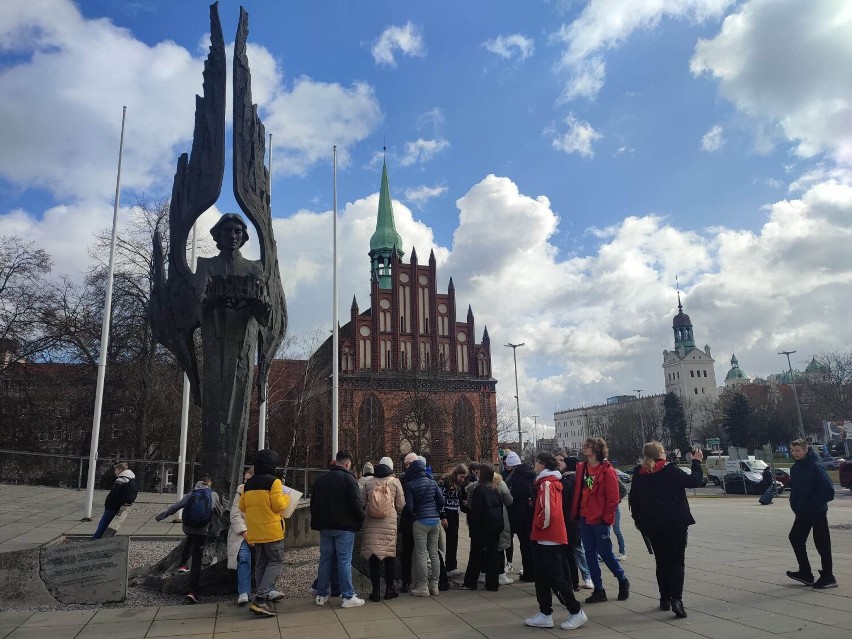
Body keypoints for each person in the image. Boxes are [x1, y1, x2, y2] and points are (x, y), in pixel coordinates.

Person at [628, 442, 704, 618]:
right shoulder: (670, 470)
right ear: (661, 454)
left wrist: (640, 522)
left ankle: (664, 599)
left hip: (652, 524)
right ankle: (677, 600)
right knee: (676, 562)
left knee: (661, 562)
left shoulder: (639, 474)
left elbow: (635, 501)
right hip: (675, 523)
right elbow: (694, 481)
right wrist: (697, 462)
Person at [524, 452, 587, 631]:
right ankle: (545, 613)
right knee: (543, 577)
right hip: (548, 536)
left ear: (542, 464)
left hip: (548, 537)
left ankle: (576, 611)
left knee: (556, 577)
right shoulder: (550, 482)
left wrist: (539, 526)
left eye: (536, 462)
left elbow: (548, 512)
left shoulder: (546, 484)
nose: (535, 465)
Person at [571, 437, 629, 604]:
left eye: (588, 446)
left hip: (599, 520)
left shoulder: (607, 471)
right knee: (590, 554)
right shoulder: (584, 469)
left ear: (596, 449)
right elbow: (586, 490)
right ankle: (599, 589)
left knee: (606, 553)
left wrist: (607, 519)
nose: (584, 447)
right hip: (585, 517)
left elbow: (613, 498)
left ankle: (622, 579)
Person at [310, 449, 366, 607]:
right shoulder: (349, 479)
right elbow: (355, 504)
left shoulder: (321, 479)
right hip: (344, 527)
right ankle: (348, 596)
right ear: (348, 463)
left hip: (325, 526)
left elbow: (314, 503)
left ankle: (321, 594)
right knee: (344, 560)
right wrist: (361, 517)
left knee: (325, 559)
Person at [155, 474, 222, 604]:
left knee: (190, 537)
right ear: (210, 483)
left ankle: (183, 564)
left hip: (187, 527)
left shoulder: (192, 493)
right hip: (202, 529)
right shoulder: (213, 495)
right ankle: (193, 592)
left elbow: (175, 507)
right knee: (197, 560)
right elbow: (219, 512)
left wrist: (160, 517)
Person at [240, 449, 289, 617]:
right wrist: (287, 498)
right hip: (271, 531)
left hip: (255, 531)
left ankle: (262, 597)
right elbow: (279, 506)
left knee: (260, 563)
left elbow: (242, 507)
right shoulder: (273, 482)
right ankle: (261, 599)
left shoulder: (248, 484)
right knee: (275, 561)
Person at [786, 439, 837, 589]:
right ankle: (805, 573)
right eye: (793, 451)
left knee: (822, 543)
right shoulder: (796, 468)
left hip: (816, 512)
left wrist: (811, 504)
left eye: (797, 451)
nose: (794, 453)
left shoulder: (815, 466)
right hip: (803, 513)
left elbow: (828, 491)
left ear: (805, 450)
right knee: (795, 538)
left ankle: (829, 576)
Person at [361, 455, 405, 601]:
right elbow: (401, 505)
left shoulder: (368, 482)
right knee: (389, 557)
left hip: (371, 524)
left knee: (373, 558)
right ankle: (389, 590)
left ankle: (375, 592)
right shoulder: (395, 482)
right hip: (389, 523)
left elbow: (361, 502)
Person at [403, 454, 446, 596]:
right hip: (434, 520)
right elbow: (441, 502)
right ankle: (435, 585)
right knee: (433, 553)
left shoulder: (410, 484)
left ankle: (423, 586)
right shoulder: (432, 482)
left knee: (421, 554)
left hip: (420, 521)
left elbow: (409, 507)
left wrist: (415, 514)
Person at [462, 463, 505, 591]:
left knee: (476, 554)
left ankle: (470, 582)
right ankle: (492, 583)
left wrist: (473, 528)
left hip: (482, 526)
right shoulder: (494, 488)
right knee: (493, 555)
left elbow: (477, 512)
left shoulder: (479, 490)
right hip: (495, 525)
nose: (477, 473)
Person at [557, 455, 593, 590]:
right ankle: (587, 577)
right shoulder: (585, 478)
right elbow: (591, 492)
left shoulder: (565, 481)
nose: (560, 464)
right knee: (580, 549)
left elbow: (563, 503)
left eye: (562, 462)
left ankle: (573, 581)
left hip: (569, 519)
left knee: (570, 552)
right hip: (583, 517)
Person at [505, 451, 536, 582]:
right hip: (530, 514)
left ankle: (529, 573)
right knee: (529, 545)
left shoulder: (515, 478)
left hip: (518, 515)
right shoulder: (530, 474)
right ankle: (532, 571)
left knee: (525, 546)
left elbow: (512, 498)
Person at [227, 466, 254, 606]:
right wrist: (245, 534)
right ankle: (244, 591)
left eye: (248, 479)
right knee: (244, 556)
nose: (245, 482)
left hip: (259, 531)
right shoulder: (240, 491)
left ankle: (269, 589)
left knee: (268, 557)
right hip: (242, 533)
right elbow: (235, 515)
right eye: (245, 479)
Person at [92, 462, 138, 540]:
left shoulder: (121, 480)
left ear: (120, 470)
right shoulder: (131, 479)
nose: (115, 472)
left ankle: (95, 540)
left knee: (103, 524)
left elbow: (114, 494)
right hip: (121, 505)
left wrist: (108, 503)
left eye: (116, 470)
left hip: (113, 506)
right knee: (111, 526)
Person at [439, 464, 468, 576]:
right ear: (456, 474)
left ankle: (452, 565)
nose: (463, 479)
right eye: (461, 476)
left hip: (455, 511)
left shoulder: (459, 483)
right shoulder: (445, 482)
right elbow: (441, 499)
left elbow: (459, 498)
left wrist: (464, 504)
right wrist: (443, 516)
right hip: (448, 512)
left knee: (454, 538)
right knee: (451, 538)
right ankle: (450, 566)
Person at [399, 452, 419, 592]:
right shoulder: (403, 479)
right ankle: (406, 580)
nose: (407, 466)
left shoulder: (405, 480)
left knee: (423, 552)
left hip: (417, 519)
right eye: (405, 464)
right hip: (409, 521)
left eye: (409, 464)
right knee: (406, 552)